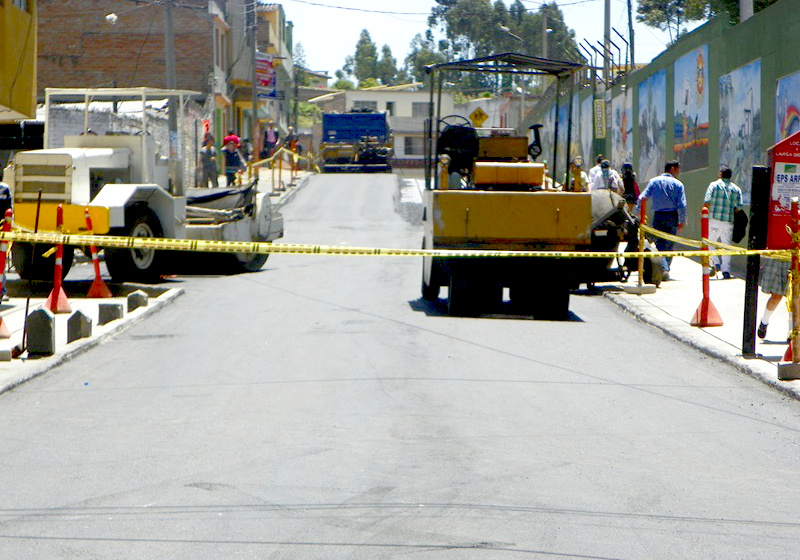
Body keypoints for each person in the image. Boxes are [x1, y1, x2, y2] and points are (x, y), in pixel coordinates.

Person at [635, 160, 687, 279]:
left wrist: (639, 212)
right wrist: (682, 221)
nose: (679, 172)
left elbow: (642, 197)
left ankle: (664, 268)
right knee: (669, 244)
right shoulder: (678, 184)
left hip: (659, 216)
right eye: (678, 169)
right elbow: (682, 205)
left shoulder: (654, 182)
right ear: (672, 169)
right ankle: (665, 268)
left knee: (660, 244)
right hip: (673, 217)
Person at [703, 165, 743, 279]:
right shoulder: (736, 189)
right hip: (728, 222)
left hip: (714, 220)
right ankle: (726, 271)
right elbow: (739, 207)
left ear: (720, 173)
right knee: (727, 245)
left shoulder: (714, 185)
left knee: (711, 243)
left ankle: (715, 263)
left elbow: (707, 201)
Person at [757, 257, 790, 340]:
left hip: (794, 257)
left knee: (794, 297)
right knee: (776, 296)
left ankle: (792, 332)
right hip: (776, 256)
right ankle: (764, 322)